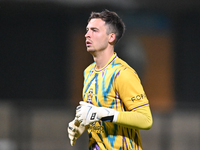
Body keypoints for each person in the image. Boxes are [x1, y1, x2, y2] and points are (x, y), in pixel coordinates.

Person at [68, 9, 153, 150]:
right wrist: (80, 124)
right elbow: (94, 112)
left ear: (111, 37)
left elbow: (146, 120)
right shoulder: (88, 72)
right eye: (87, 30)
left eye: (94, 30)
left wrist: (102, 114)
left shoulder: (123, 73)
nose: (87, 35)